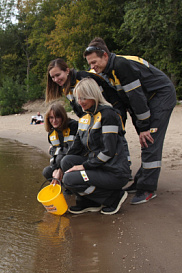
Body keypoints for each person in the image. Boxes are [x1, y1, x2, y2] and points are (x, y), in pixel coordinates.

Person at [83, 37, 177, 205]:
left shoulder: (121, 66)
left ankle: (147, 189)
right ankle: (141, 180)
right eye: (90, 64)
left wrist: (145, 128)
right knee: (145, 138)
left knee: (149, 140)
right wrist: (139, 126)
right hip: (148, 100)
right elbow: (129, 102)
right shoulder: (108, 70)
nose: (92, 67)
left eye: (94, 62)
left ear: (105, 55)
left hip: (161, 96)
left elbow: (137, 98)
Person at [56, 78, 131, 215]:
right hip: (99, 167)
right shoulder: (85, 118)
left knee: (69, 180)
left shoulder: (108, 115)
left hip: (114, 172)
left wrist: (84, 166)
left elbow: (109, 151)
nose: (80, 102)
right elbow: (75, 148)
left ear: (93, 95)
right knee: (66, 162)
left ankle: (113, 198)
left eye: (83, 98)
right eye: (78, 99)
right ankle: (89, 201)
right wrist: (59, 169)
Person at [42, 103, 78, 183]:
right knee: (47, 171)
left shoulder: (73, 126)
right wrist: (55, 169)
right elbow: (53, 155)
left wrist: (60, 170)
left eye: (57, 117)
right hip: (61, 162)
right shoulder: (51, 134)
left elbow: (71, 149)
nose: (54, 121)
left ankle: (71, 187)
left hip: (74, 160)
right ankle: (61, 188)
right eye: (51, 117)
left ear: (63, 117)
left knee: (62, 158)